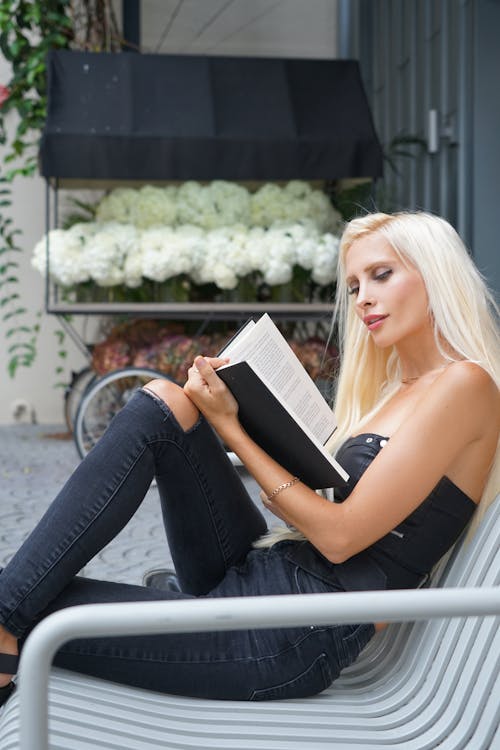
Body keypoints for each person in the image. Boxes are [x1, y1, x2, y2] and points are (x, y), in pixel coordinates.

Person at [0, 210, 499, 705]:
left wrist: (230, 427)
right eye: (353, 285)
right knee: (165, 403)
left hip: (285, 636)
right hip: (264, 576)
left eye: (381, 274)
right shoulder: (396, 391)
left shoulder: (464, 384)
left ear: (435, 274)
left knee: (41, 610)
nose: (363, 296)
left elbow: (341, 538)